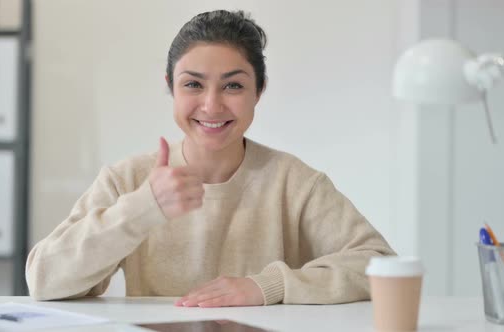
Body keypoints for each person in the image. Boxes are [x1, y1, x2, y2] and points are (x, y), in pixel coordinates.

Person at [26, 9, 395, 307]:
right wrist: (143, 208)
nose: (211, 105)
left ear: (259, 91)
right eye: (193, 84)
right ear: (169, 86)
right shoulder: (129, 179)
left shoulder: (293, 181)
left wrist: (267, 286)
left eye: (233, 85)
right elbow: (44, 279)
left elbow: (380, 264)